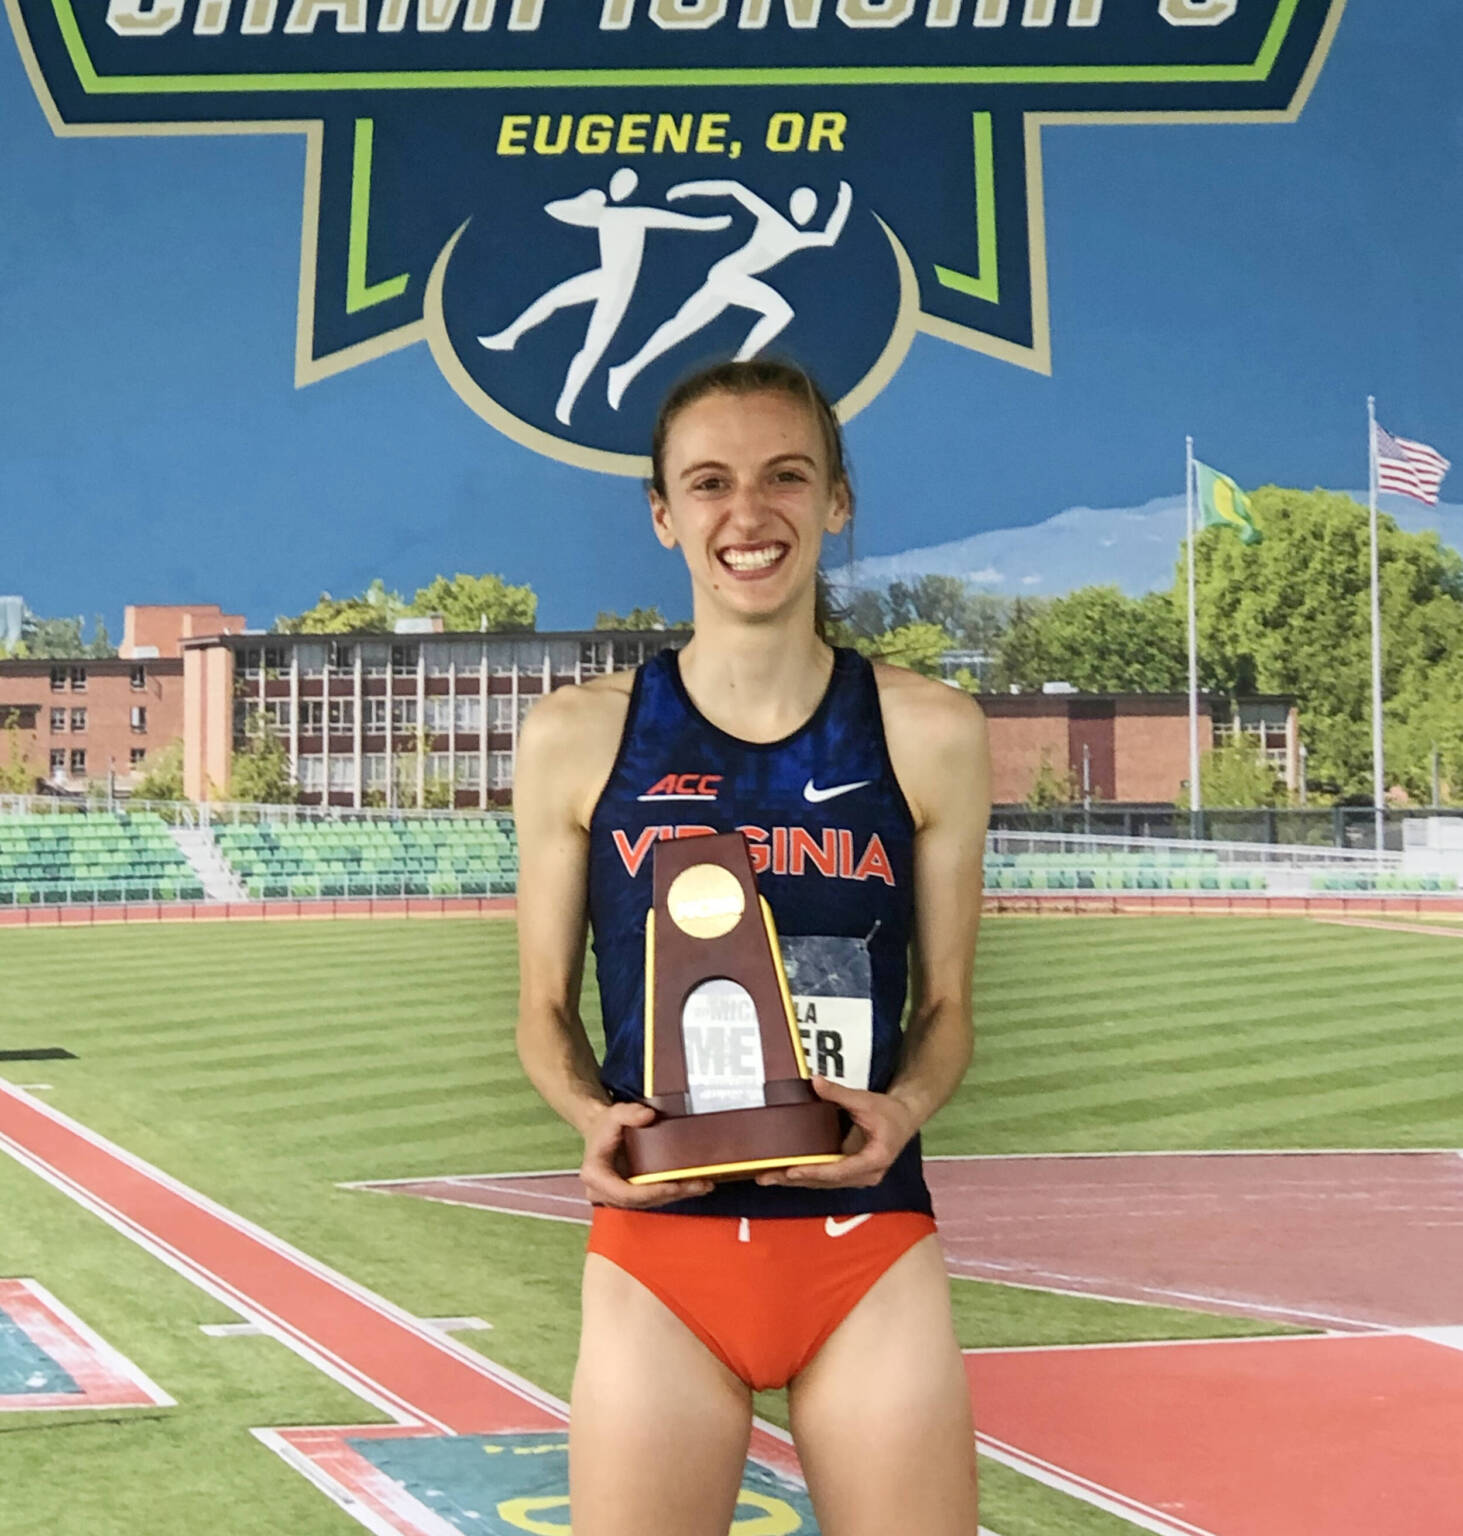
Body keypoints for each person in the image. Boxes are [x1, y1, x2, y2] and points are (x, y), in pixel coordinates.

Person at [514, 357, 991, 1536]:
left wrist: (904, 1107)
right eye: (710, 482)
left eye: (786, 476)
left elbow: (944, 1012)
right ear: (664, 514)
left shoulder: (929, 732)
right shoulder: (580, 737)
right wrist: (588, 1119)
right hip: (658, 1253)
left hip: (862, 1241)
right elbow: (540, 1012)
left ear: (836, 499)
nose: (748, 514)